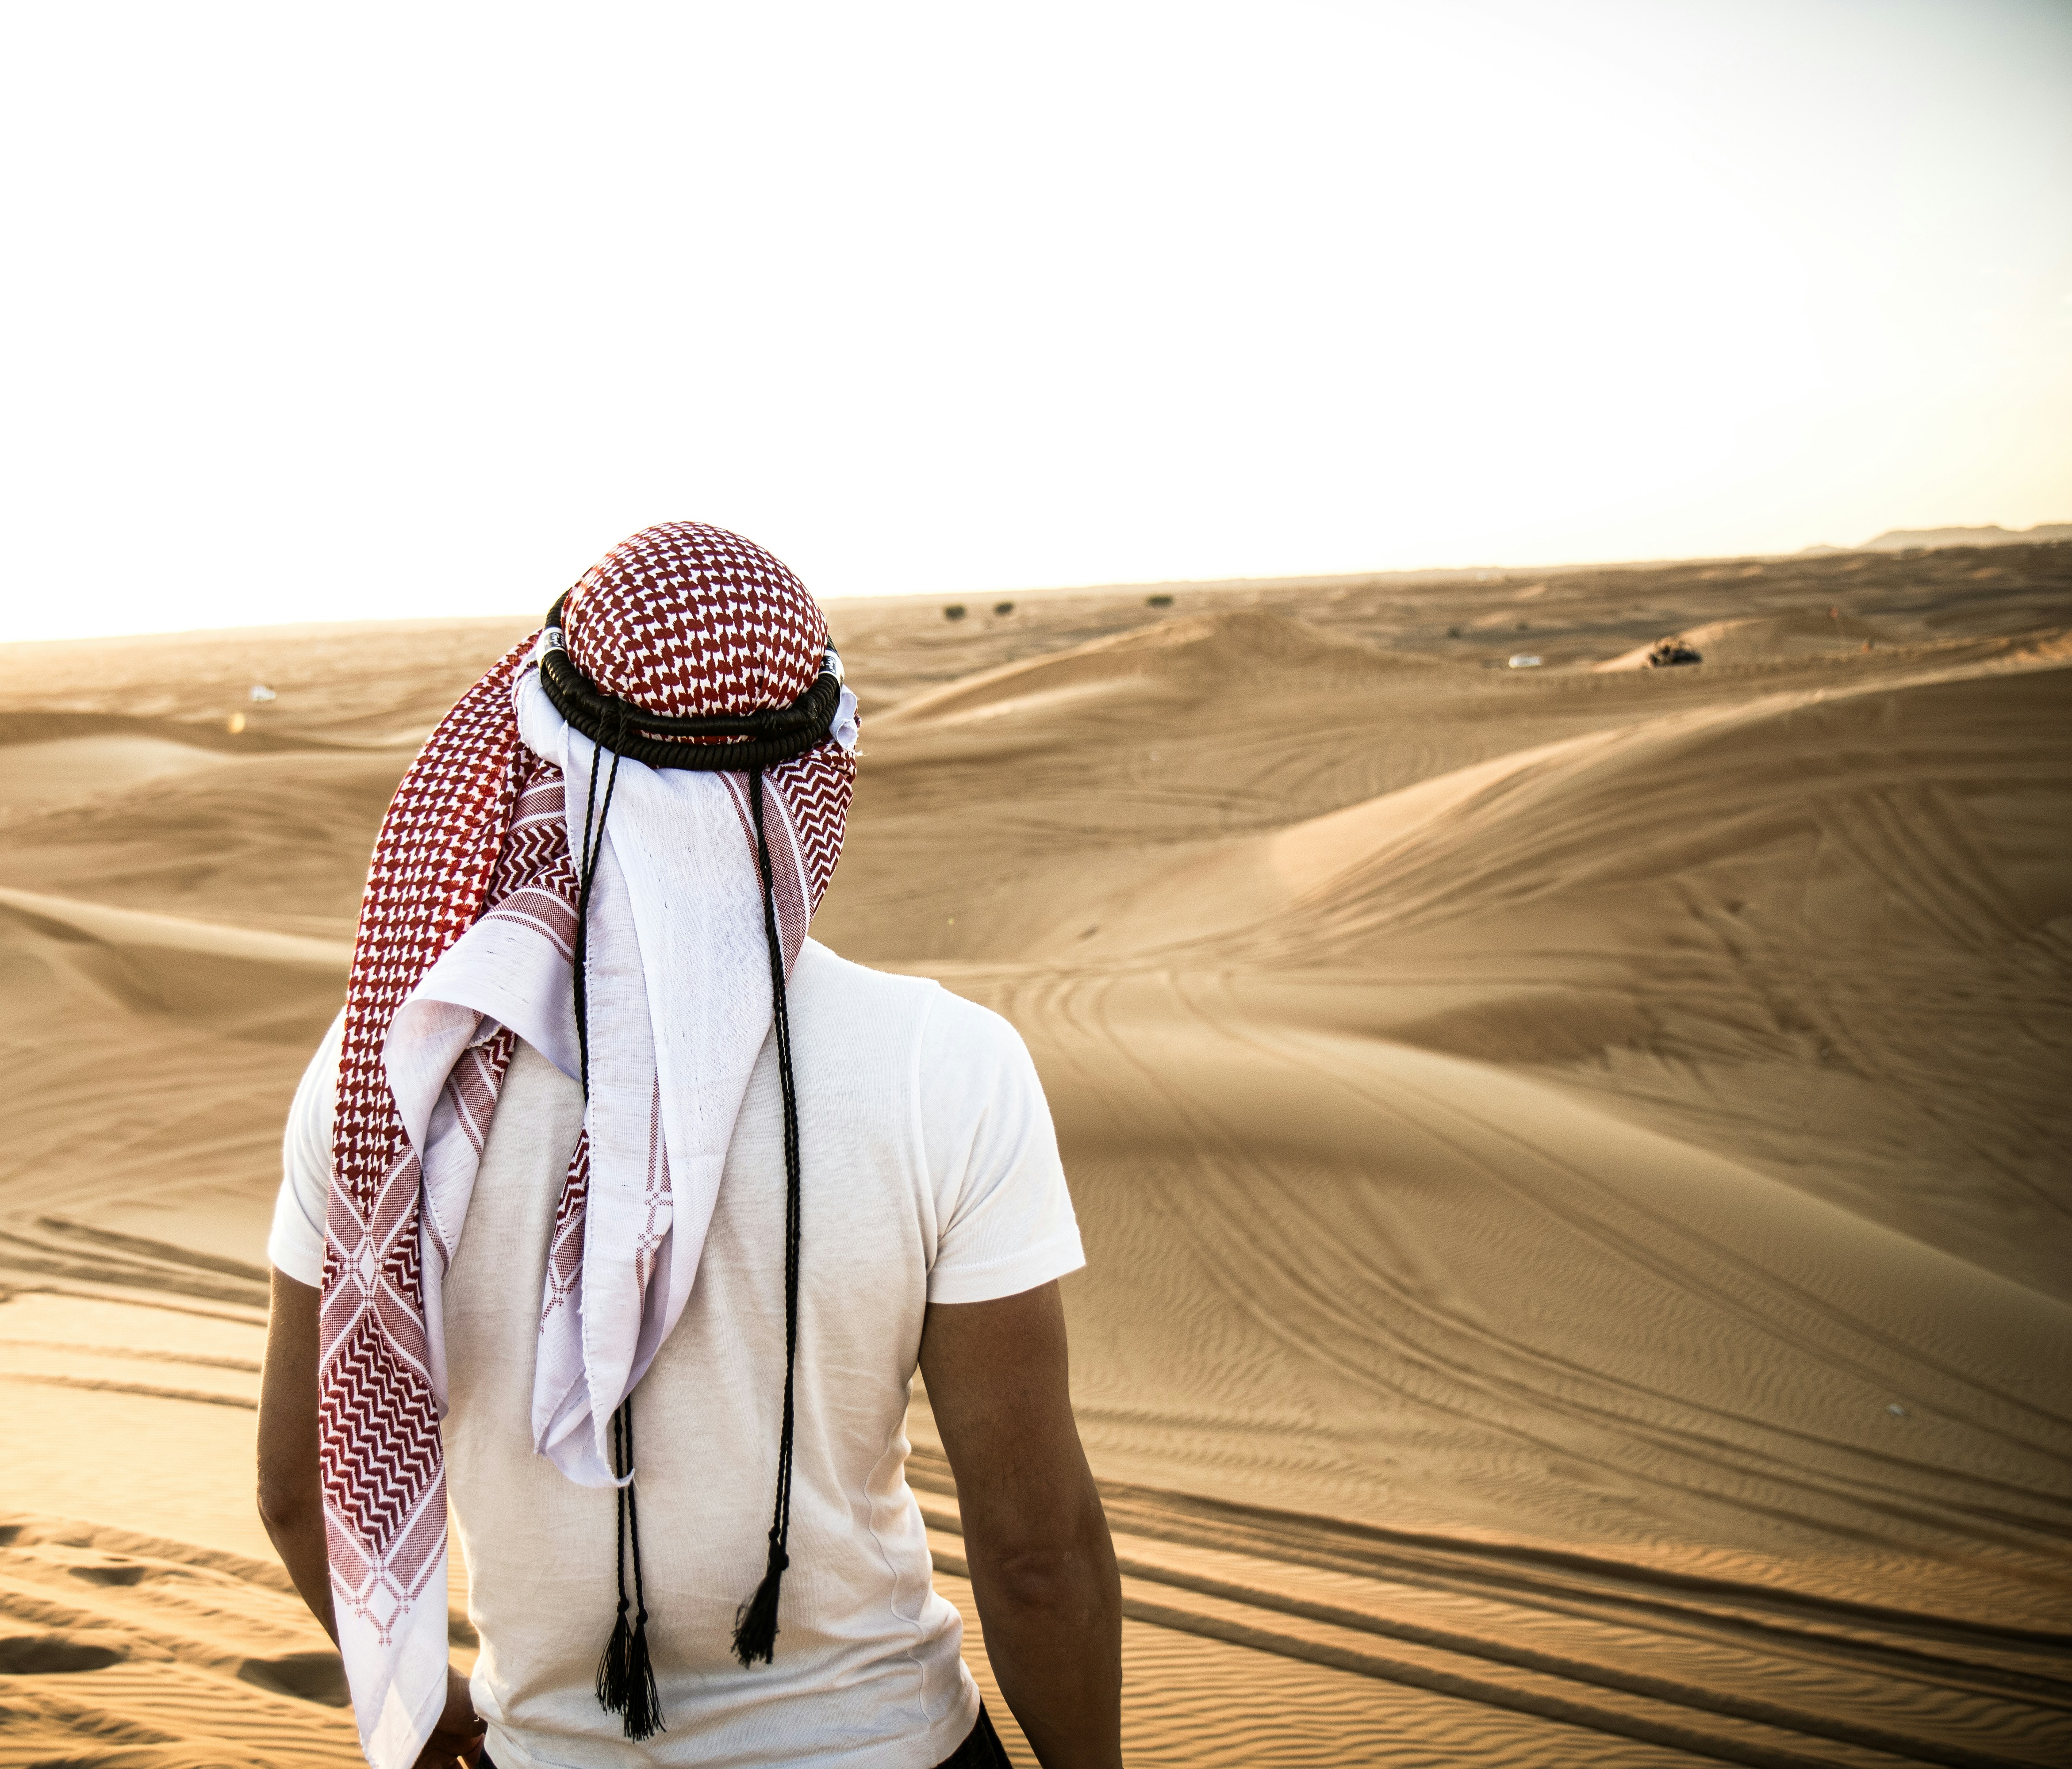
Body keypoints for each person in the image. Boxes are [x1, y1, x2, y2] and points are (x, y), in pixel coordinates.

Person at [255, 522, 1123, 1769]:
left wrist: (431, 1701)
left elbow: (301, 1489)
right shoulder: (946, 1063)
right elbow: (1038, 1556)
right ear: (820, 761)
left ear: (541, 743)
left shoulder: (390, 1068)